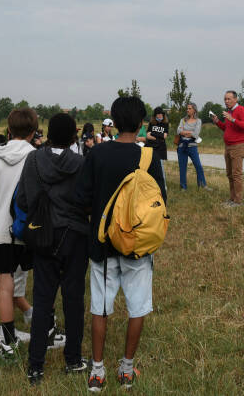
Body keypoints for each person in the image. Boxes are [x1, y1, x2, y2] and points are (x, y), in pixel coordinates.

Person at [75, 97, 166, 392]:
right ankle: (127, 370)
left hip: (102, 245)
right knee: (137, 307)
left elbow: (81, 198)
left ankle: (97, 372)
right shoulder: (149, 157)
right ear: (141, 124)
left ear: (113, 120)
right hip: (138, 245)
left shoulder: (97, 154)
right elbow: (159, 202)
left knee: (100, 308)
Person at [17, 113, 90, 384]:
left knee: (43, 300)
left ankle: (35, 365)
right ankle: (72, 359)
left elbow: (23, 200)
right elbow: (88, 202)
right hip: (75, 235)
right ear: (74, 136)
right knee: (74, 298)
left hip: (43, 235)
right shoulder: (82, 163)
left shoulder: (33, 160)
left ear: (47, 134)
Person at [0, 108, 37, 358]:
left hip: (1, 231)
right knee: (29, 279)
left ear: (8, 129)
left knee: (5, 283)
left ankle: (8, 341)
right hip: (28, 230)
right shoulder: (36, 157)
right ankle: (41, 324)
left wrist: (0, 217)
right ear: (34, 131)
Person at [212, 91, 244, 206]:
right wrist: (218, 122)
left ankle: (238, 201)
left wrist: (232, 119)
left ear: (235, 99)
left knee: (236, 174)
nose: (226, 101)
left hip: (237, 146)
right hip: (228, 146)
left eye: (229, 99)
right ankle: (232, 198)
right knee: (230, 174)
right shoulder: (229, 112)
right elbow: (227, 129)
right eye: (225, 99)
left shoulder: (241, 110)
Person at [177, 102, 209, 191]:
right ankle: (183, 187)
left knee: (198, 166)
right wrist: (189, 133)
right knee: (182, 167)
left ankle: (202, 185)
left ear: (194, 110)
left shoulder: (198, 121)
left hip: (192, 146)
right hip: (182, 146)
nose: (187, 110)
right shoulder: (183, 120)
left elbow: (196, 134)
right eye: (187, 108)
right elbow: (178, 131)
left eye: (190, 108)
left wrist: (185, 132)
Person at [146, 107, 169, 187]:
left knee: (160, 167)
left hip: (161, 149)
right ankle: (150, 185)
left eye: (161, 114)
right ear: (155, 115)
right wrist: (159, 137)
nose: (159, 116)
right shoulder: (152, 123)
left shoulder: (165, 124)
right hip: (150, 147)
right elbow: (148, 136)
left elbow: (165, 136)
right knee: (149, 167)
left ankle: (163, 186)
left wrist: (153, 134)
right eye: (158, 114)